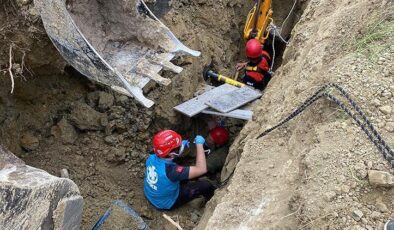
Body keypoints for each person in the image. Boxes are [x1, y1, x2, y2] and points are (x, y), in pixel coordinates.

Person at [143, 130, 215, 210]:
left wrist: (179, 148)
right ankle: (213, 202)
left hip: (151, 193)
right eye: (178, 146)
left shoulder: (151, 157)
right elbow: (201, 169)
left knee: (183, 171)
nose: (181, 145)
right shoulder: (171, 171)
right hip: (165, 203)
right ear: (171, 154)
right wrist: (199, 145)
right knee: (206, 185)